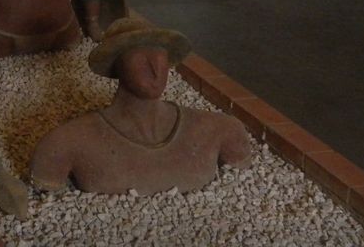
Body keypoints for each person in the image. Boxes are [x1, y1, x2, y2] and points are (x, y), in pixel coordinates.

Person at [30, 17, 252, 194]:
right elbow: (46, 179)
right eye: (140, 57)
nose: (155, 69)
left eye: (161, 57)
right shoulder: (63, 144)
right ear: (117, 65)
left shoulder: (222, 130)